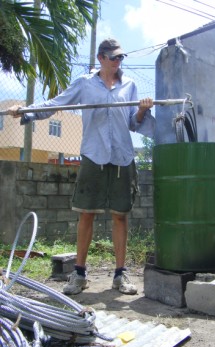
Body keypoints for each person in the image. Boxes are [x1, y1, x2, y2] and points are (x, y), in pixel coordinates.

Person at [8, 38, 155, 295]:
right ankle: (79, 274)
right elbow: (57, 103)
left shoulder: (129, 85)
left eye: (121, 57)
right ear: (101, 58)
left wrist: (142, 111)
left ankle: (120, 276)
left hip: (122, 156)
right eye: (114, 57)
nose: (118, 61)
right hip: (94, 155)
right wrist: (25, 110)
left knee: (120, 215)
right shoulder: (85, 84)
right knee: (86, 213)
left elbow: (133, 123)